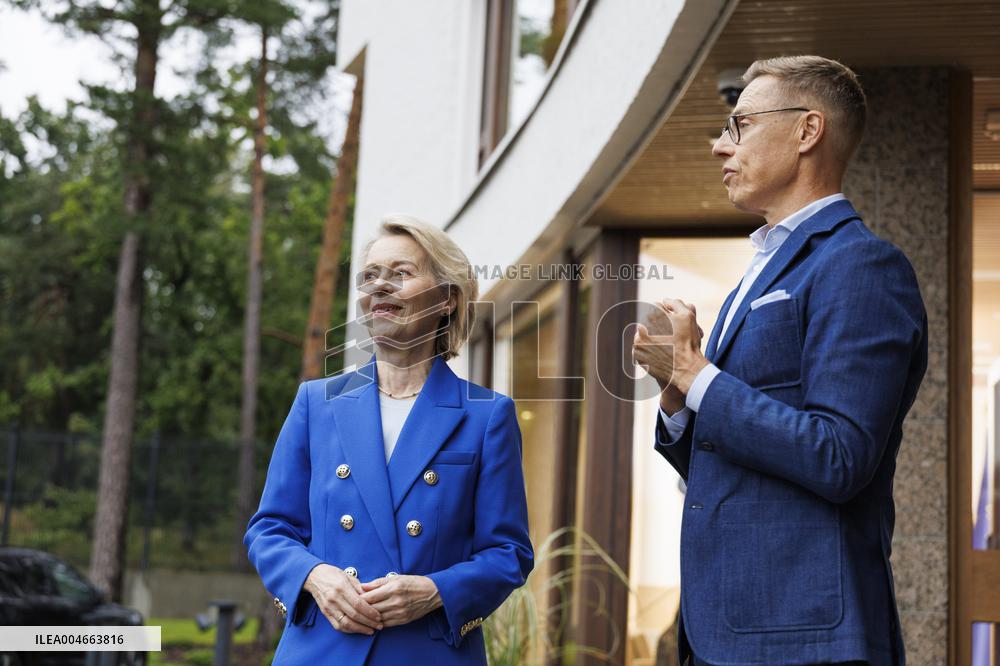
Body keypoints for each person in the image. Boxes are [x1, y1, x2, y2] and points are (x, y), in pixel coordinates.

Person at [633, 56, 927, 666]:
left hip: (804, 635)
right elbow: (724, 462)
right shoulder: (760, 269)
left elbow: (839, 456)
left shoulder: (861, 264)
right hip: (727, 629)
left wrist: (697, 374)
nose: (720, 145)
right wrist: (677, 395)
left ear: (807, 131)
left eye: (739, 125)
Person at [245, 214, 533, 665]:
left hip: (425, 652)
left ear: (448, 299)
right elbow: (270, 529)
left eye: (401, 273)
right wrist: (314, 575)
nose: (379, 286)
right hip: (322, 650)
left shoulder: (487, 415)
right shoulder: (316, 403)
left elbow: (508, 553)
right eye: (370, 276)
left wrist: (436, 590)